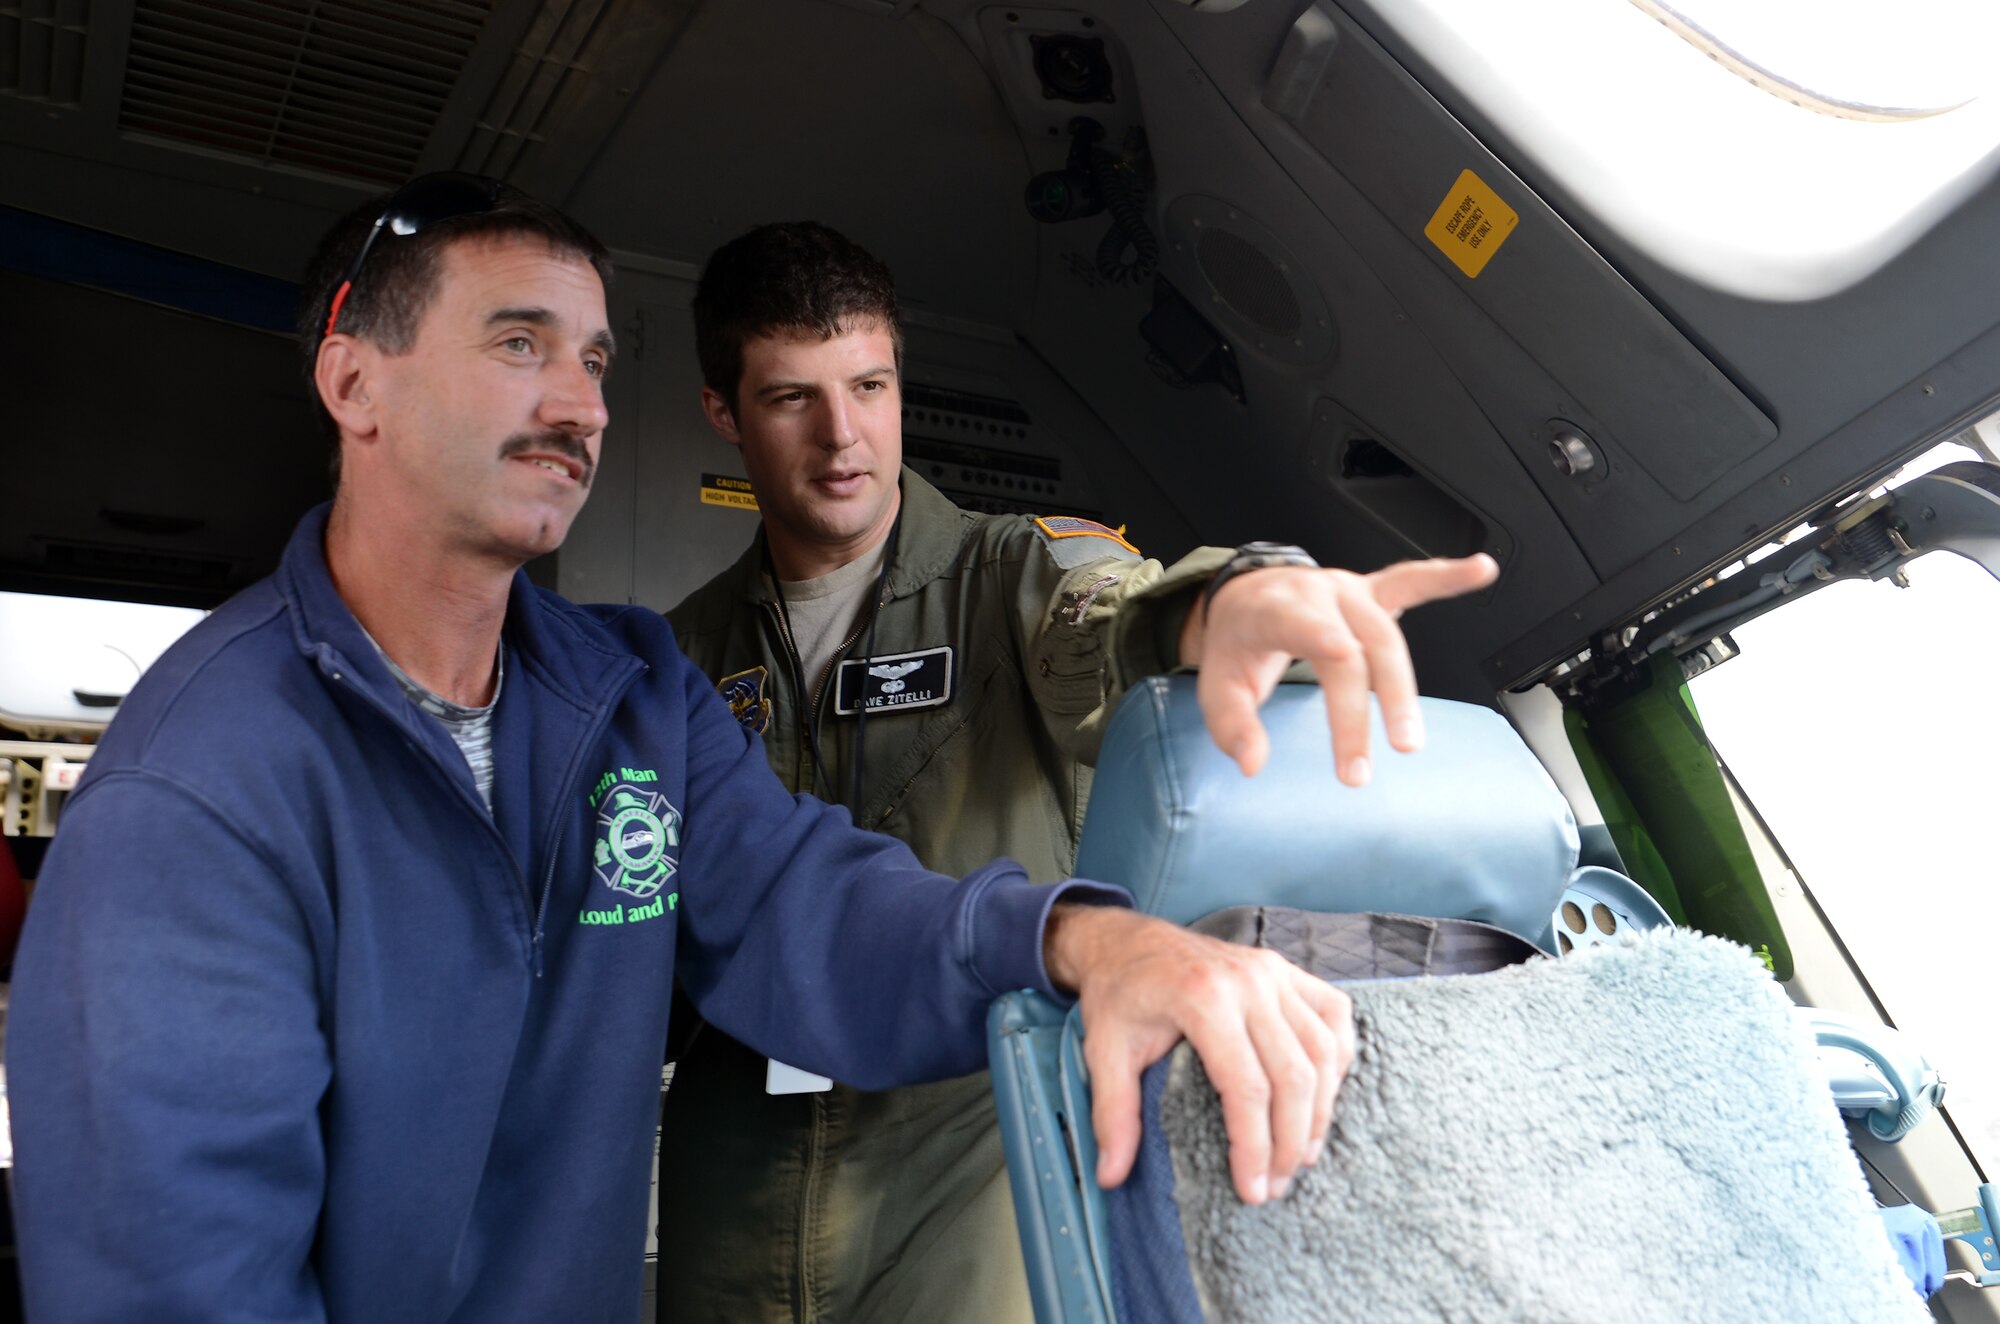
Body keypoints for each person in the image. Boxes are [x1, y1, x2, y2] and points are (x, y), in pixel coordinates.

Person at [4, 178, 1360, 1324]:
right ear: (354, 377)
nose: (582, 404)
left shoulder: (631, 694)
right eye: (520, 344)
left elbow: (814, 908)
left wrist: (1086, 942)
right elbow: (171, 1279)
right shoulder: (202, 784)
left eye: (594, 358)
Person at [660, 222, 1499, 1323]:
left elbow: (1109, 621)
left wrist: (1233, 601)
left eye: (869, 383)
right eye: (789, 398)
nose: (842, 435)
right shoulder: (674, 657)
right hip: (733, 1180)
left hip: (969, 1163)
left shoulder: (1006, 573)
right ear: (723, 411)